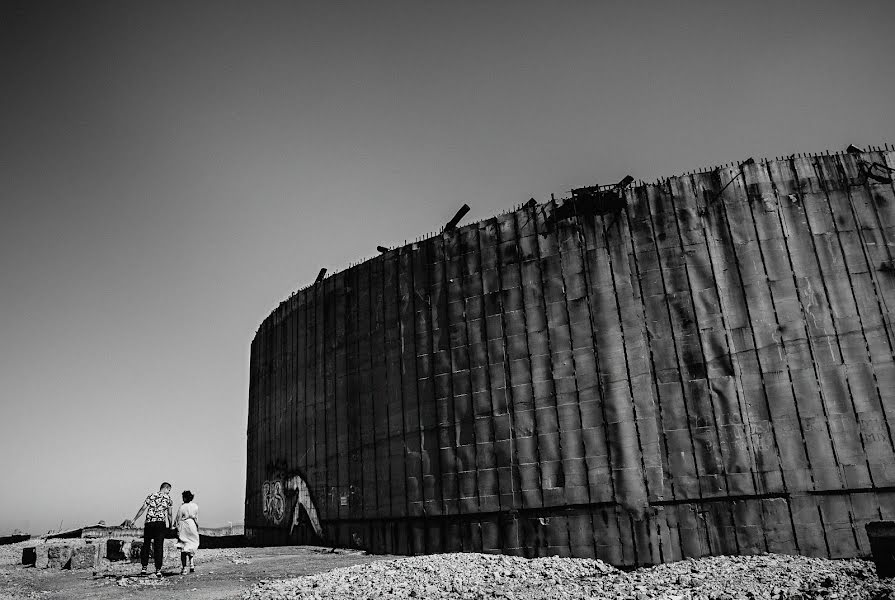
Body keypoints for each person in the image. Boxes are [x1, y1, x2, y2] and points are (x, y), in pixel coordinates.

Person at [130, 481, 174, 578]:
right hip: (160, 523)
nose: (169, 492)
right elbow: (170, 514)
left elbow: (143, 508)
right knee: (159, 546)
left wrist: (134, 519)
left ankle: (144, 568)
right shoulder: (168, 499)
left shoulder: (151, 495)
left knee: (146, 545)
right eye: (169, 490)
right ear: (166, 488)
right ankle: (158, 569)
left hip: (149, 523)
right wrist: (170, 526)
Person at [175, 490, 200, 574]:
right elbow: (196, 518)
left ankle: (184, 568)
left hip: (184, 526)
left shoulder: (182, 507)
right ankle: (192, 565)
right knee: (191, 545)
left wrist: (176, 528)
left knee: (184, 547)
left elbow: (178, 518)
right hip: (192, 525)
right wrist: (197, 528)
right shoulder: (195, 506)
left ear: (185, 497)